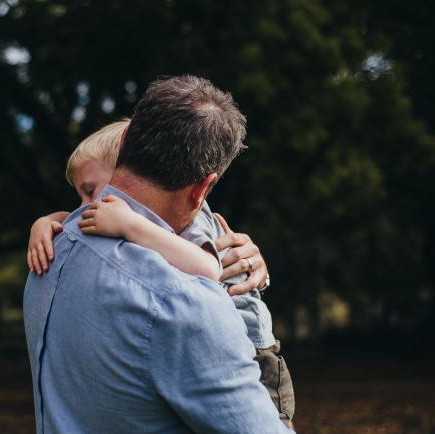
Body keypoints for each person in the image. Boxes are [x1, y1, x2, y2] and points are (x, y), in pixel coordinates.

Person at [24, 75, 294, 433]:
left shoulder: (47, 258)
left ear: (124, 141)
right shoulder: (182, 302)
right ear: (203, 189)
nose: (88, 203)